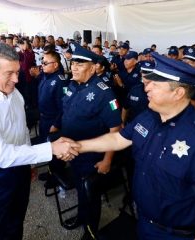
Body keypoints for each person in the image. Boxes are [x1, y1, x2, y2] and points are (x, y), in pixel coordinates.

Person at [75, 53, 195, 239]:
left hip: (175, 234)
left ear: (178, 93)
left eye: (155, 84)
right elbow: (118, 139)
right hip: (144, 221)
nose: (147, 87)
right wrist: (77, 146)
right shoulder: (149, 115)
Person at [0, 42, 79, 240]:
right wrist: (50, 149)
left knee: (16, 223)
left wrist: (29, 163)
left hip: (20, 168)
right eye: (9, 73)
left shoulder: (15, 94)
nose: (16, 79)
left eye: (17, 71)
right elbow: (1, 155)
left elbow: (22, 131)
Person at [55, 42, 121, 239]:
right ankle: (81, 217)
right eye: (73, 62)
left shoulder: (104, 92)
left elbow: (115, 129)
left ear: (93, 68)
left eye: (80, 64)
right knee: (80, 189)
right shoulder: (73, 85)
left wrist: (107, 160)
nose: (74, 67)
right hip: (73, 151)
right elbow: (67, 113)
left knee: (90, 194)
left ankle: (91, 230)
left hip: (92, 155)